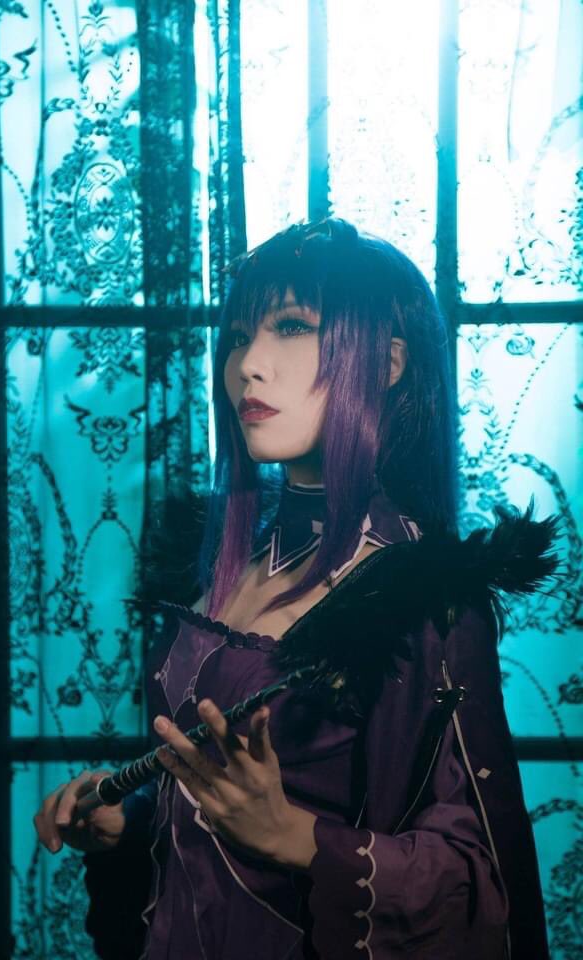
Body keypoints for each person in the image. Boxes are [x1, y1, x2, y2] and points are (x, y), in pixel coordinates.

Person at [33, 218, 558, 959]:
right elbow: (209, 806)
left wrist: (297, 838)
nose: (248, 364)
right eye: (238, 336)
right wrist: (136, 815)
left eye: (291, 327)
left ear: (388, 362)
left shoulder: (423, 594)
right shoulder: (220, 557)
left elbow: (476, 881)